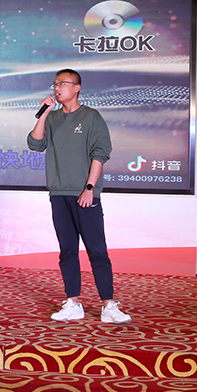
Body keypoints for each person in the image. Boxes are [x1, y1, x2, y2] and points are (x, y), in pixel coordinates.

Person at [27, 69, 131, 324]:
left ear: (77, 88)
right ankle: (73, 302)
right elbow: (35, 144)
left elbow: (100, 153)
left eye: (62, 83)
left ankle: (108, 305)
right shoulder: (52, 118)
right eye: (55, 84)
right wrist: (44, 114)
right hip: (59, 193)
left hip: (85, 194)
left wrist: (89, 188)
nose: (57, 88)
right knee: (67, 251)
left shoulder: (91, 117)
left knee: (97, 250)